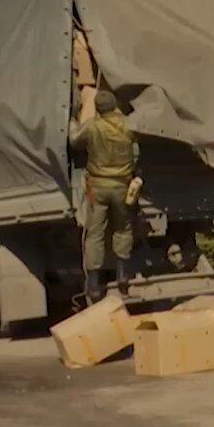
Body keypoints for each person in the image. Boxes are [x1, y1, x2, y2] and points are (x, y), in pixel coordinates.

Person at [68, 89, 139, 303]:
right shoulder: (129, 125)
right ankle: (123, 276)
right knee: (123, 229)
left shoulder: (92, 127)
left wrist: (72, 119)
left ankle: (94, 285)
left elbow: (74, 140)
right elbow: (136, 152)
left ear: (98, 108)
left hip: (97, 188)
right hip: (122, 187)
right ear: (115, 105)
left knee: (95, 234)